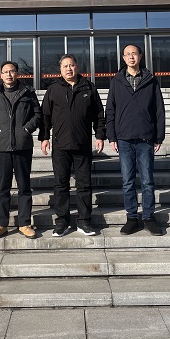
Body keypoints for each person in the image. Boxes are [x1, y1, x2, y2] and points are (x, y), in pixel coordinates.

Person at [40, 54, 105, 237]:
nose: (69, 69)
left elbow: (99, 114)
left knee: (84, 185)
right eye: (65, 66)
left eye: (71, 65)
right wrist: (44, 137)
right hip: (60, 146)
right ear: (60, 70)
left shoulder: (88, 87)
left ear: (77, 67)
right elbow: (45, 116)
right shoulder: (53, 89)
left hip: (82, 144)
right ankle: (62, 222)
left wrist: (100, 135)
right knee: (61, 185)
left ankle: (84, 221)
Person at [106, 44, 165, 236]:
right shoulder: (117, 81)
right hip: (124, 138)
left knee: (147, 181)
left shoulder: (150, 80)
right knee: (127, 181)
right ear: (123, 58)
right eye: (127, 54)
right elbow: (110, 109)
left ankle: (148, 217)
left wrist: (159, 136)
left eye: (134, 54)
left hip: (145, 137)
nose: (131, 57)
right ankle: (132, 217)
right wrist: (111, 135)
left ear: (140, 56)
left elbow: (159, 109)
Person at [0, 61, 41, 239]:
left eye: (12, 71)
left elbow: (37, 114)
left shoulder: (28, 92)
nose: (9, 74)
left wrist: (27, 129)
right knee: (3, 188)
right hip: (3, 147)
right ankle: (1, 224)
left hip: (23, 146)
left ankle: (24, 223)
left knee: (24, 187)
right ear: (0, 75)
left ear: (17, 73)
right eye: (5, 72)